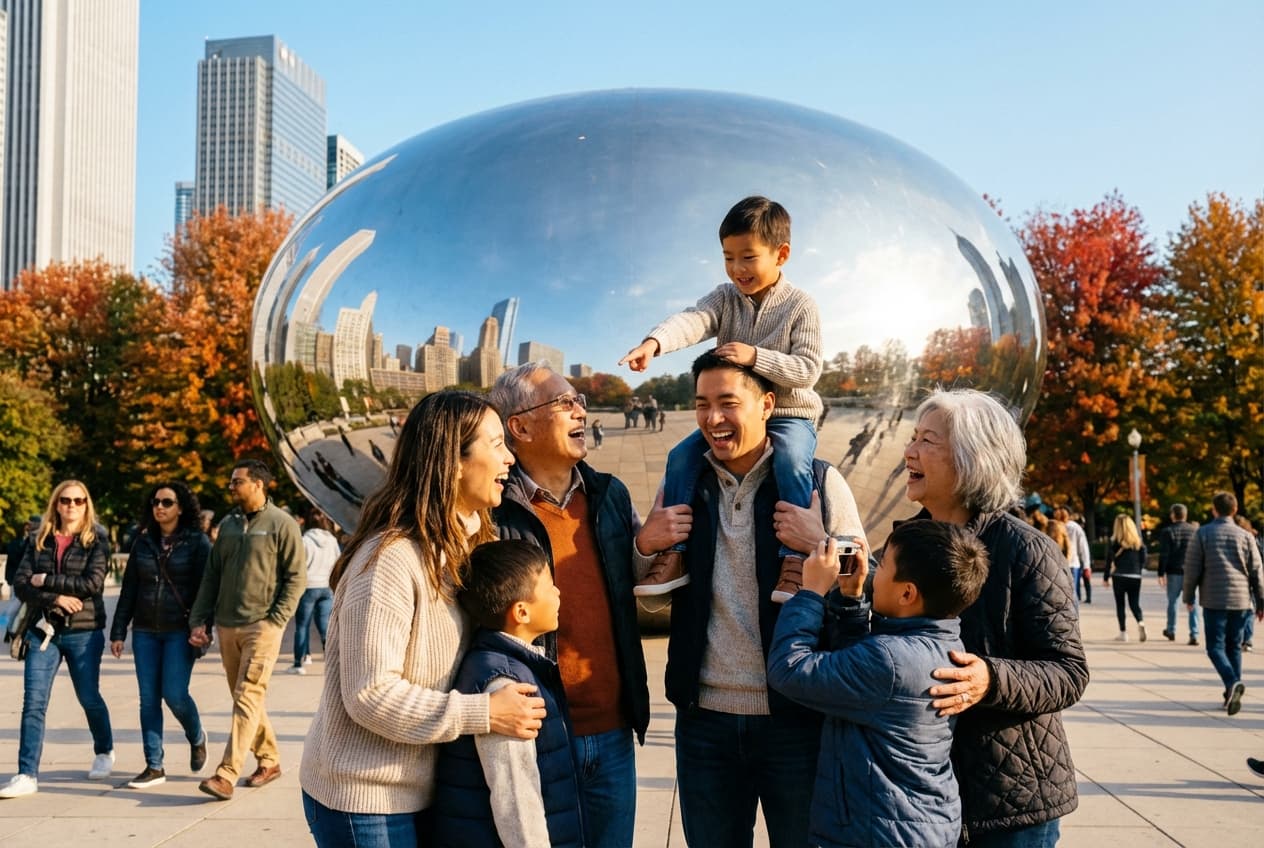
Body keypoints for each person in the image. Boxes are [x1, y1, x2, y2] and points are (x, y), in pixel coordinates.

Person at [637, 351, 865, 847]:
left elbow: (865, 577)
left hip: (796, 717)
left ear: (766, 404)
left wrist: (820, 539)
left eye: (727, 403)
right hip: (704, 721)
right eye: (701, 404)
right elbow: (641, 580)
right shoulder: (683, 484)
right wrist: (644, 544)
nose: (712, 419)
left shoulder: (818, 482)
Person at [299, 391, 546, 847]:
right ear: (453, 461)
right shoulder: (391, 559)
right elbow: (369, 695)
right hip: (365, 798)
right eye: (496, 444)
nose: (510, 458)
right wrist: (484, 713)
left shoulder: (468, 545)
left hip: (426, 789)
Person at [901, 388, 1088, 846]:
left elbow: (1068, 671)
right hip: (923, 798)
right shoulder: (904, 546)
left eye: (929, 441)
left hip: (1011, 801)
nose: (909, 451)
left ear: (973, 458)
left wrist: (990, 679)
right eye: (913, 437)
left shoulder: (1027, 549)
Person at [622, 196, 824, 604]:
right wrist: (654, 342)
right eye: (728, 258)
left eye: (747, 257)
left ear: (781, 254)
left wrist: (754, 356)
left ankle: (795, 559)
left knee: (791, 461)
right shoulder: (725, 297)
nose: (737, 270)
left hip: (787, 415)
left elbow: (807, 369)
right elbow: (693, 319)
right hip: (734, 417)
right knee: (680, 457)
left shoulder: (802, 306)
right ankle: (674, 554)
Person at [488, 363, 651, 848]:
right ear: (519, 426)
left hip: (614, 731)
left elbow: (630, 587)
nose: (581, 409)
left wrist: (648, 549)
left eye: (579, 398)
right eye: (564, 402)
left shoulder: (609, 495)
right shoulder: (493, 507)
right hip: (535, 735)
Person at [768, 520, 990, 848]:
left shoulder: (892, 660)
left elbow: (789, 669)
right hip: (909, 824)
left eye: (882, 564)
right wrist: (851, 597)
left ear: (907, 593)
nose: (874, 572)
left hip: (877, 833)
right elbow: (855, 678)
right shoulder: (939, 642)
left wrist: (810, 593)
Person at [433, 540, 582, 847]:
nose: (558, 593)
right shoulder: (506, 686)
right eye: (549, 586)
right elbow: (516, 799)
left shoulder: (512, 665)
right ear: (522, 612)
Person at [188, 459, 305, 800]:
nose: (230, 486)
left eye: (236, 481)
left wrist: (276, 619)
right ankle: (268, 760)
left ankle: (226, 773)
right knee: (244, 697)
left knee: (248, 693)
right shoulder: (228, 524)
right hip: (227, 624)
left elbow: (296, 577)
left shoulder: (282, 524)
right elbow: (213, 575)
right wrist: (200, 619)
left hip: (262, 625)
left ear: (258, 484)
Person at [0, 481, 114, 799]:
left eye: (79, 500)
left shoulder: (97, 539)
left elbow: (91, 583)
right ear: (56, 504)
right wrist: (55, 598)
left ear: (86, 505)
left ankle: (104, 750)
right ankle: (26, 774)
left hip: (84, 631)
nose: (72, 506)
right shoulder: (39, 539)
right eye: (65, 500)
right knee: (33, 703)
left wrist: (47, 580)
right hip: (42, 630)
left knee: (89, 696)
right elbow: (21, 583)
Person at [109, 482, 212, 789]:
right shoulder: (142, 543)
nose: (160, 507)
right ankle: (154, 765)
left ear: (181, 507)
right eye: (155, 502)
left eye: (167, 502)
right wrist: (118, 631)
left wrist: (204, 626)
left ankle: (196, 735)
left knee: (175, 694)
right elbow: (129, 590)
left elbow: (207, 589)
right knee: (147, 699)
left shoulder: (197, 542)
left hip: (179, 631)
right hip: (144, 631)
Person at [1181, 491, 1264, 716]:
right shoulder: (1246, 536)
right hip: (1240, 600)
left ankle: (1231, 683)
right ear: (1235, 510)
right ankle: (1231, 691)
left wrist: (1188, 597)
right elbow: (1257, 570)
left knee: (1215, 647)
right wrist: (1261, 600)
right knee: (1233, 646)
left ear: (1213, 509)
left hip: (1214, 599)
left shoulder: (1203, 534)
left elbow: (1192, 569)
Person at [287, 509, 340, 675]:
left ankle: (298, 663)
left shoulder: (304, 541)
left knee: (302, 626)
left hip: (309, 586)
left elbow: (298, 564)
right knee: (325, 626)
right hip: (326, 586)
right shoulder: (332, 540)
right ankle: (332, 662)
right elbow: (338, 560)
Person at [1157, 503, 1199, 644]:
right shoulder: (1194, 531)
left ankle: (1171, 630)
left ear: (1173, 515)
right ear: (1185, 515)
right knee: (1192, 602)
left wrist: (1161, 573)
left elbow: (1164, 554)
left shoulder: (1168, 531)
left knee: (1173, 602)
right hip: (1191, 572)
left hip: (1174, 571)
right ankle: (1194, 633)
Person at [1105, 515, 1148, 642]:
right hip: (1135, 576)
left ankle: (1123, 633)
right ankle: (1140, 621)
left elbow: (1109, 560)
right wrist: (1138, 570)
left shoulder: (1114, 542)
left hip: (1119, 576)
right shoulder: (1138, 542)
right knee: (1134, 603)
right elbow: (1143, 559)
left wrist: (1106, 576)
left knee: (1120, 604)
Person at [1053, 507, 1091, 605]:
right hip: (1073, 563)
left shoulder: (1054, 526)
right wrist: (1086, 565)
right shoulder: (1075, 527)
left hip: (1057, 563)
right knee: (1072, 593)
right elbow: (1083, 547)